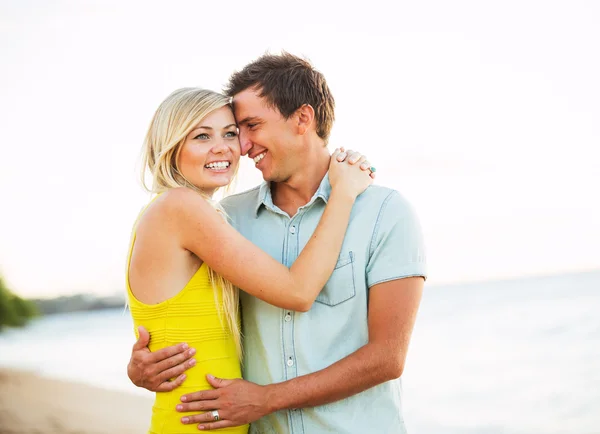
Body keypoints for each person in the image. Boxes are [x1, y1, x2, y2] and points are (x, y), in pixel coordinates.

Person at [128, 53, 427, 433]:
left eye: (245, 128)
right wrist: (142, 366)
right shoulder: (225, 219)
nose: (243, 146)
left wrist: (268, 398)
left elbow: (387, 358)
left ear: (303, 119)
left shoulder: (385, 212)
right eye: (237, 131)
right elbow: (178, 313)